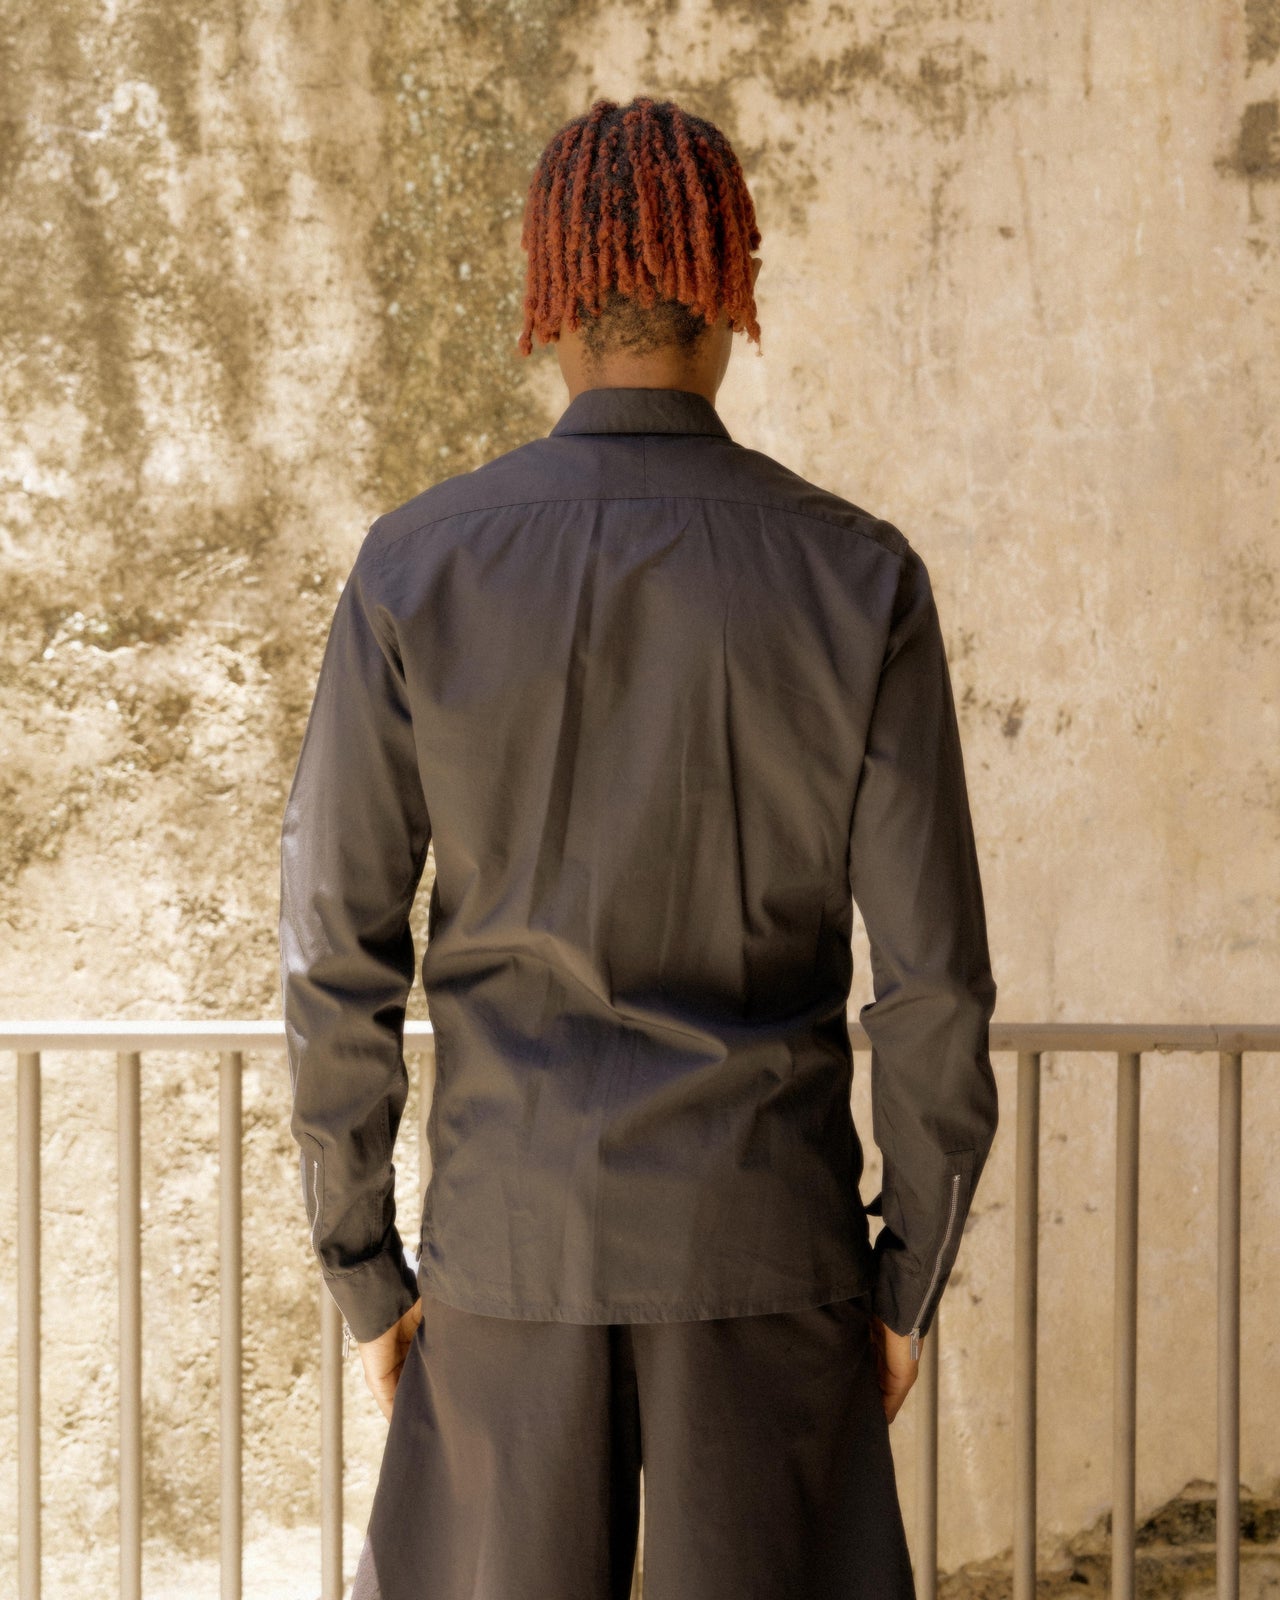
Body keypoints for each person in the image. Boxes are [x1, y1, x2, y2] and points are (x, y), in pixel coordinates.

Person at [279, 94, 998, 1600]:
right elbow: (933, 983)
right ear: (731, 285)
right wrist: (903, 1283)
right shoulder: (857, 577)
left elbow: (333, 956)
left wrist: (370, 1274)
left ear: (550, 297)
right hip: (769, 1253)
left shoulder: (421, 565)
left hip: (507, 1258)